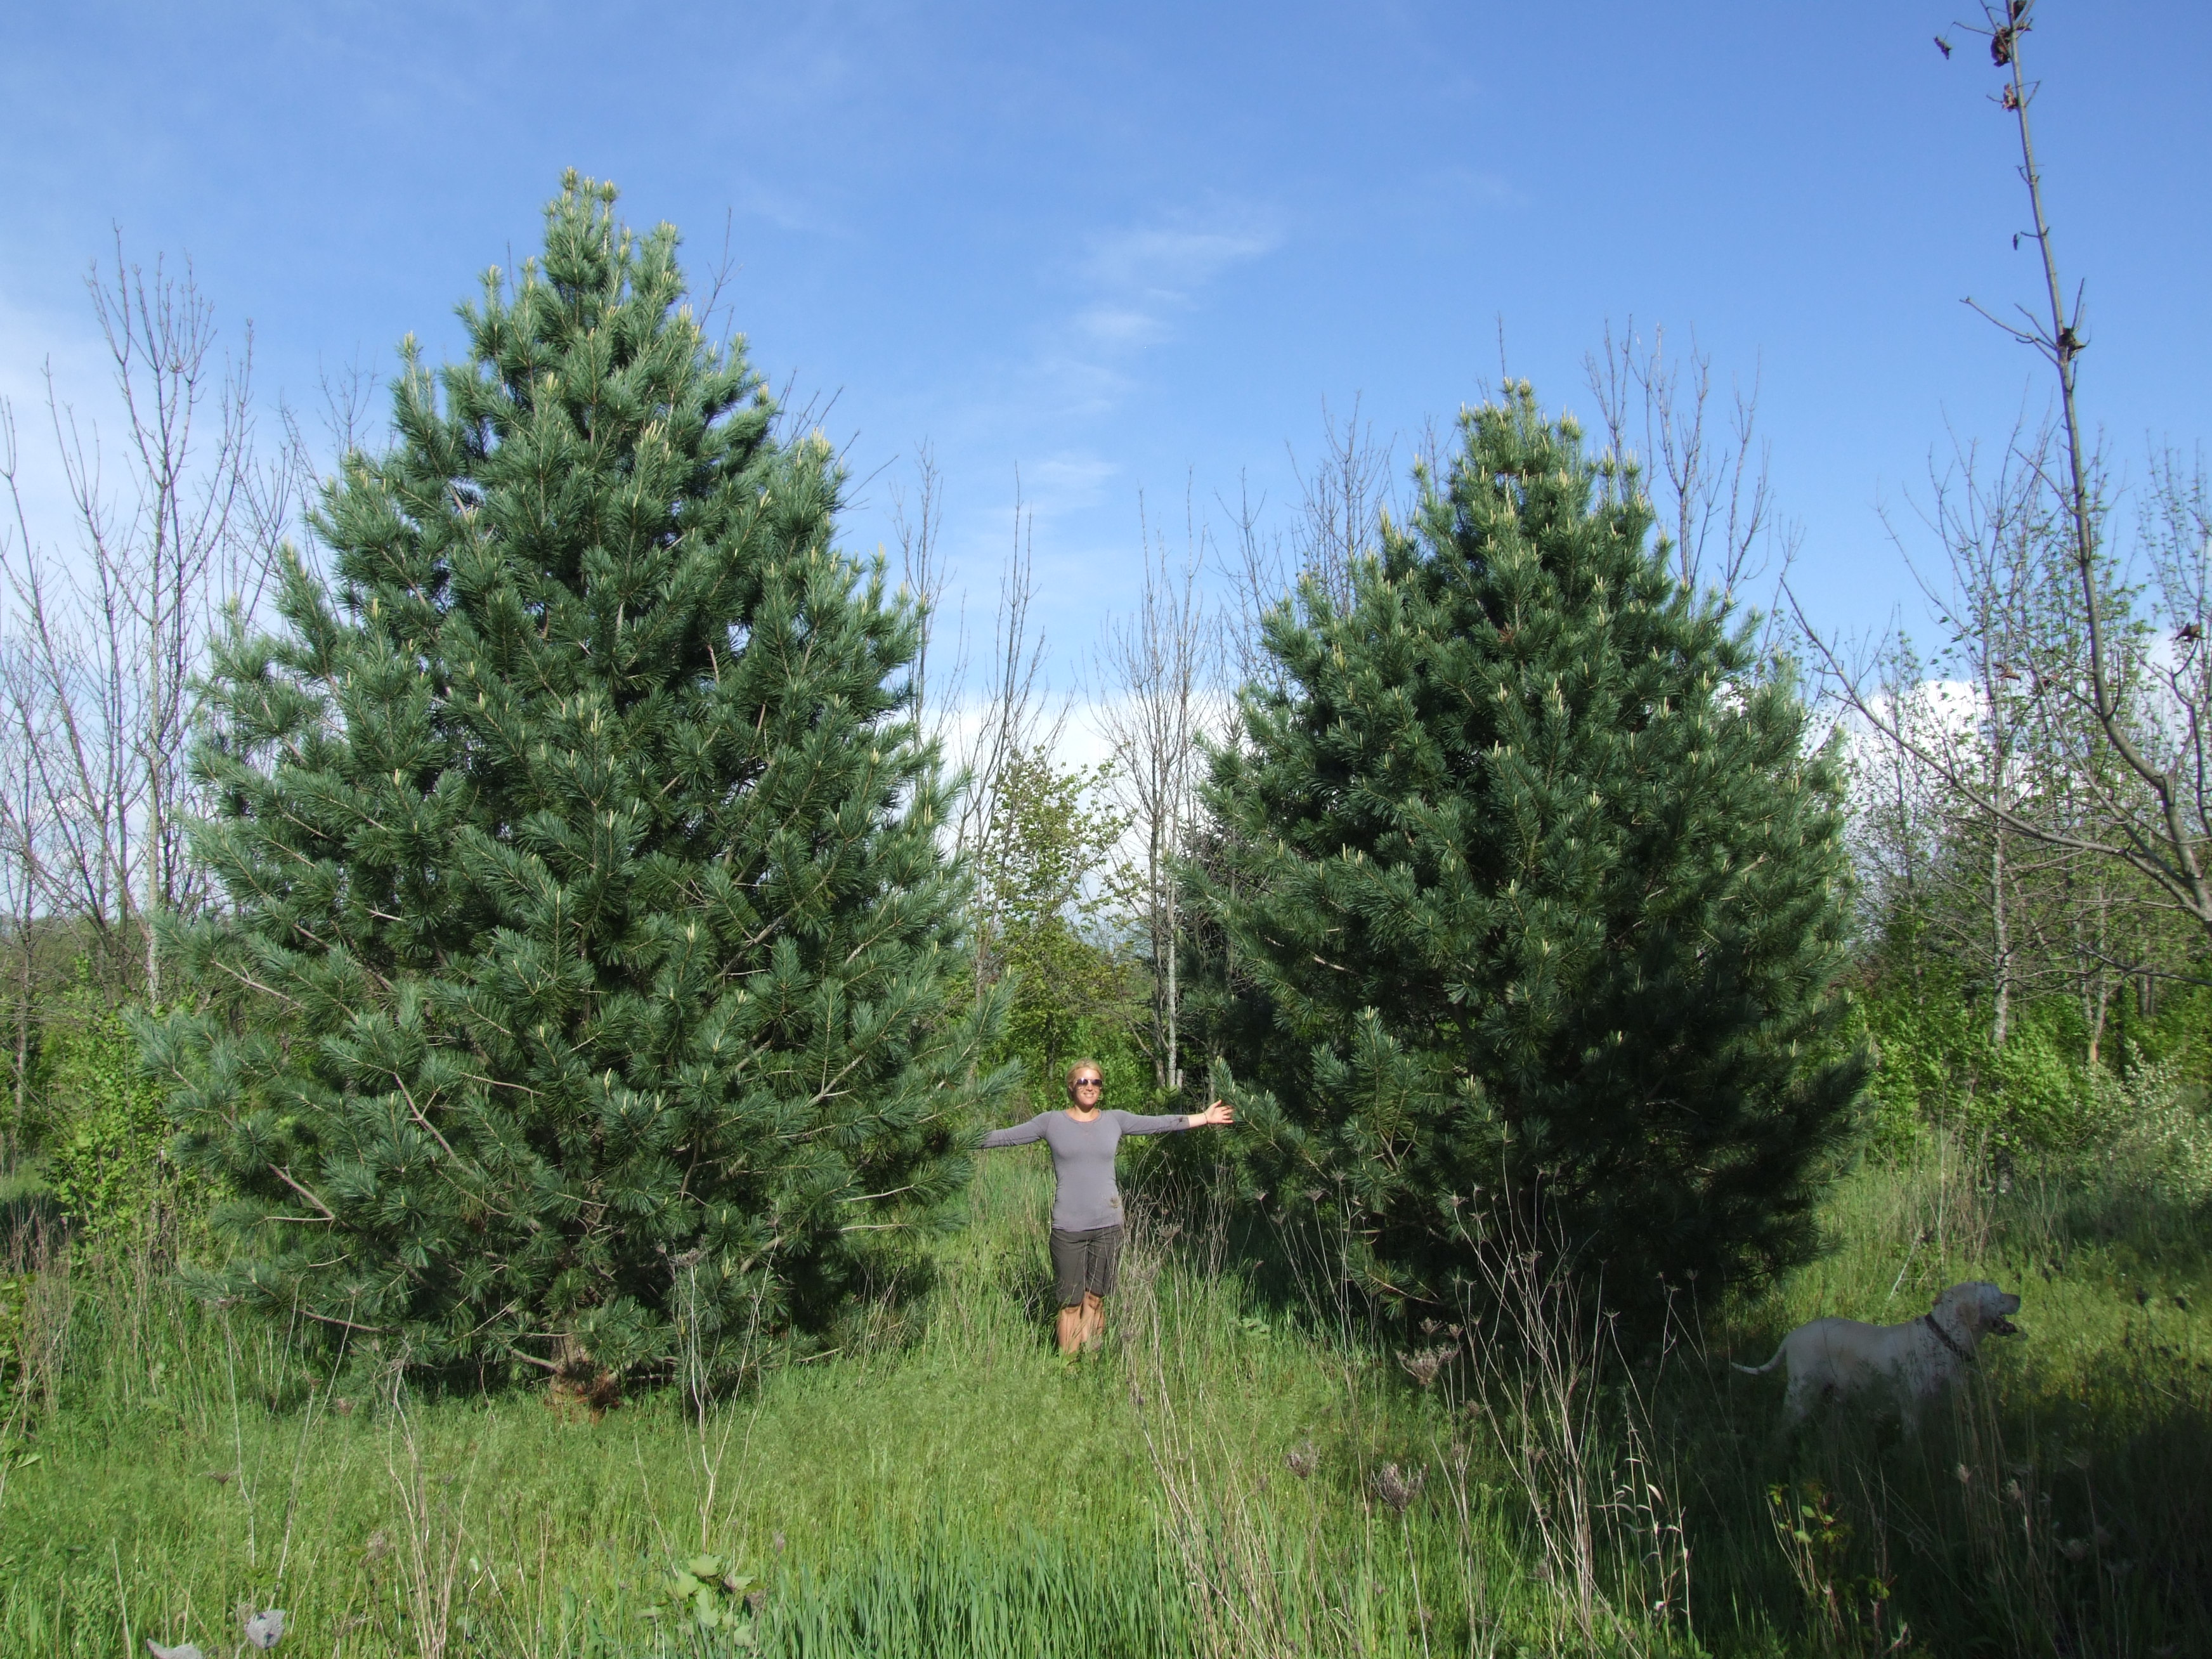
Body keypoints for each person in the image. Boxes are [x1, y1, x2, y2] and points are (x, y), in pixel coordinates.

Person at [978, 1060, 1235, 1356]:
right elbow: (1004, 1137)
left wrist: (1204, 1117)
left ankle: (1092, 1362)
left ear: (1101, 1088)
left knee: (1096, 1299)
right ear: (1071, 1087)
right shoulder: (1050, 1122)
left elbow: (1159, 1122)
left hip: (1108, 1226)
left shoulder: (1116, 1120)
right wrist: (956, 1142)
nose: (1089, 1087)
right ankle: (1069, 1368)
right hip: (1068, 1229)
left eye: (1096, 1082)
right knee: (1070, 1304)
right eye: (1083, 1082)